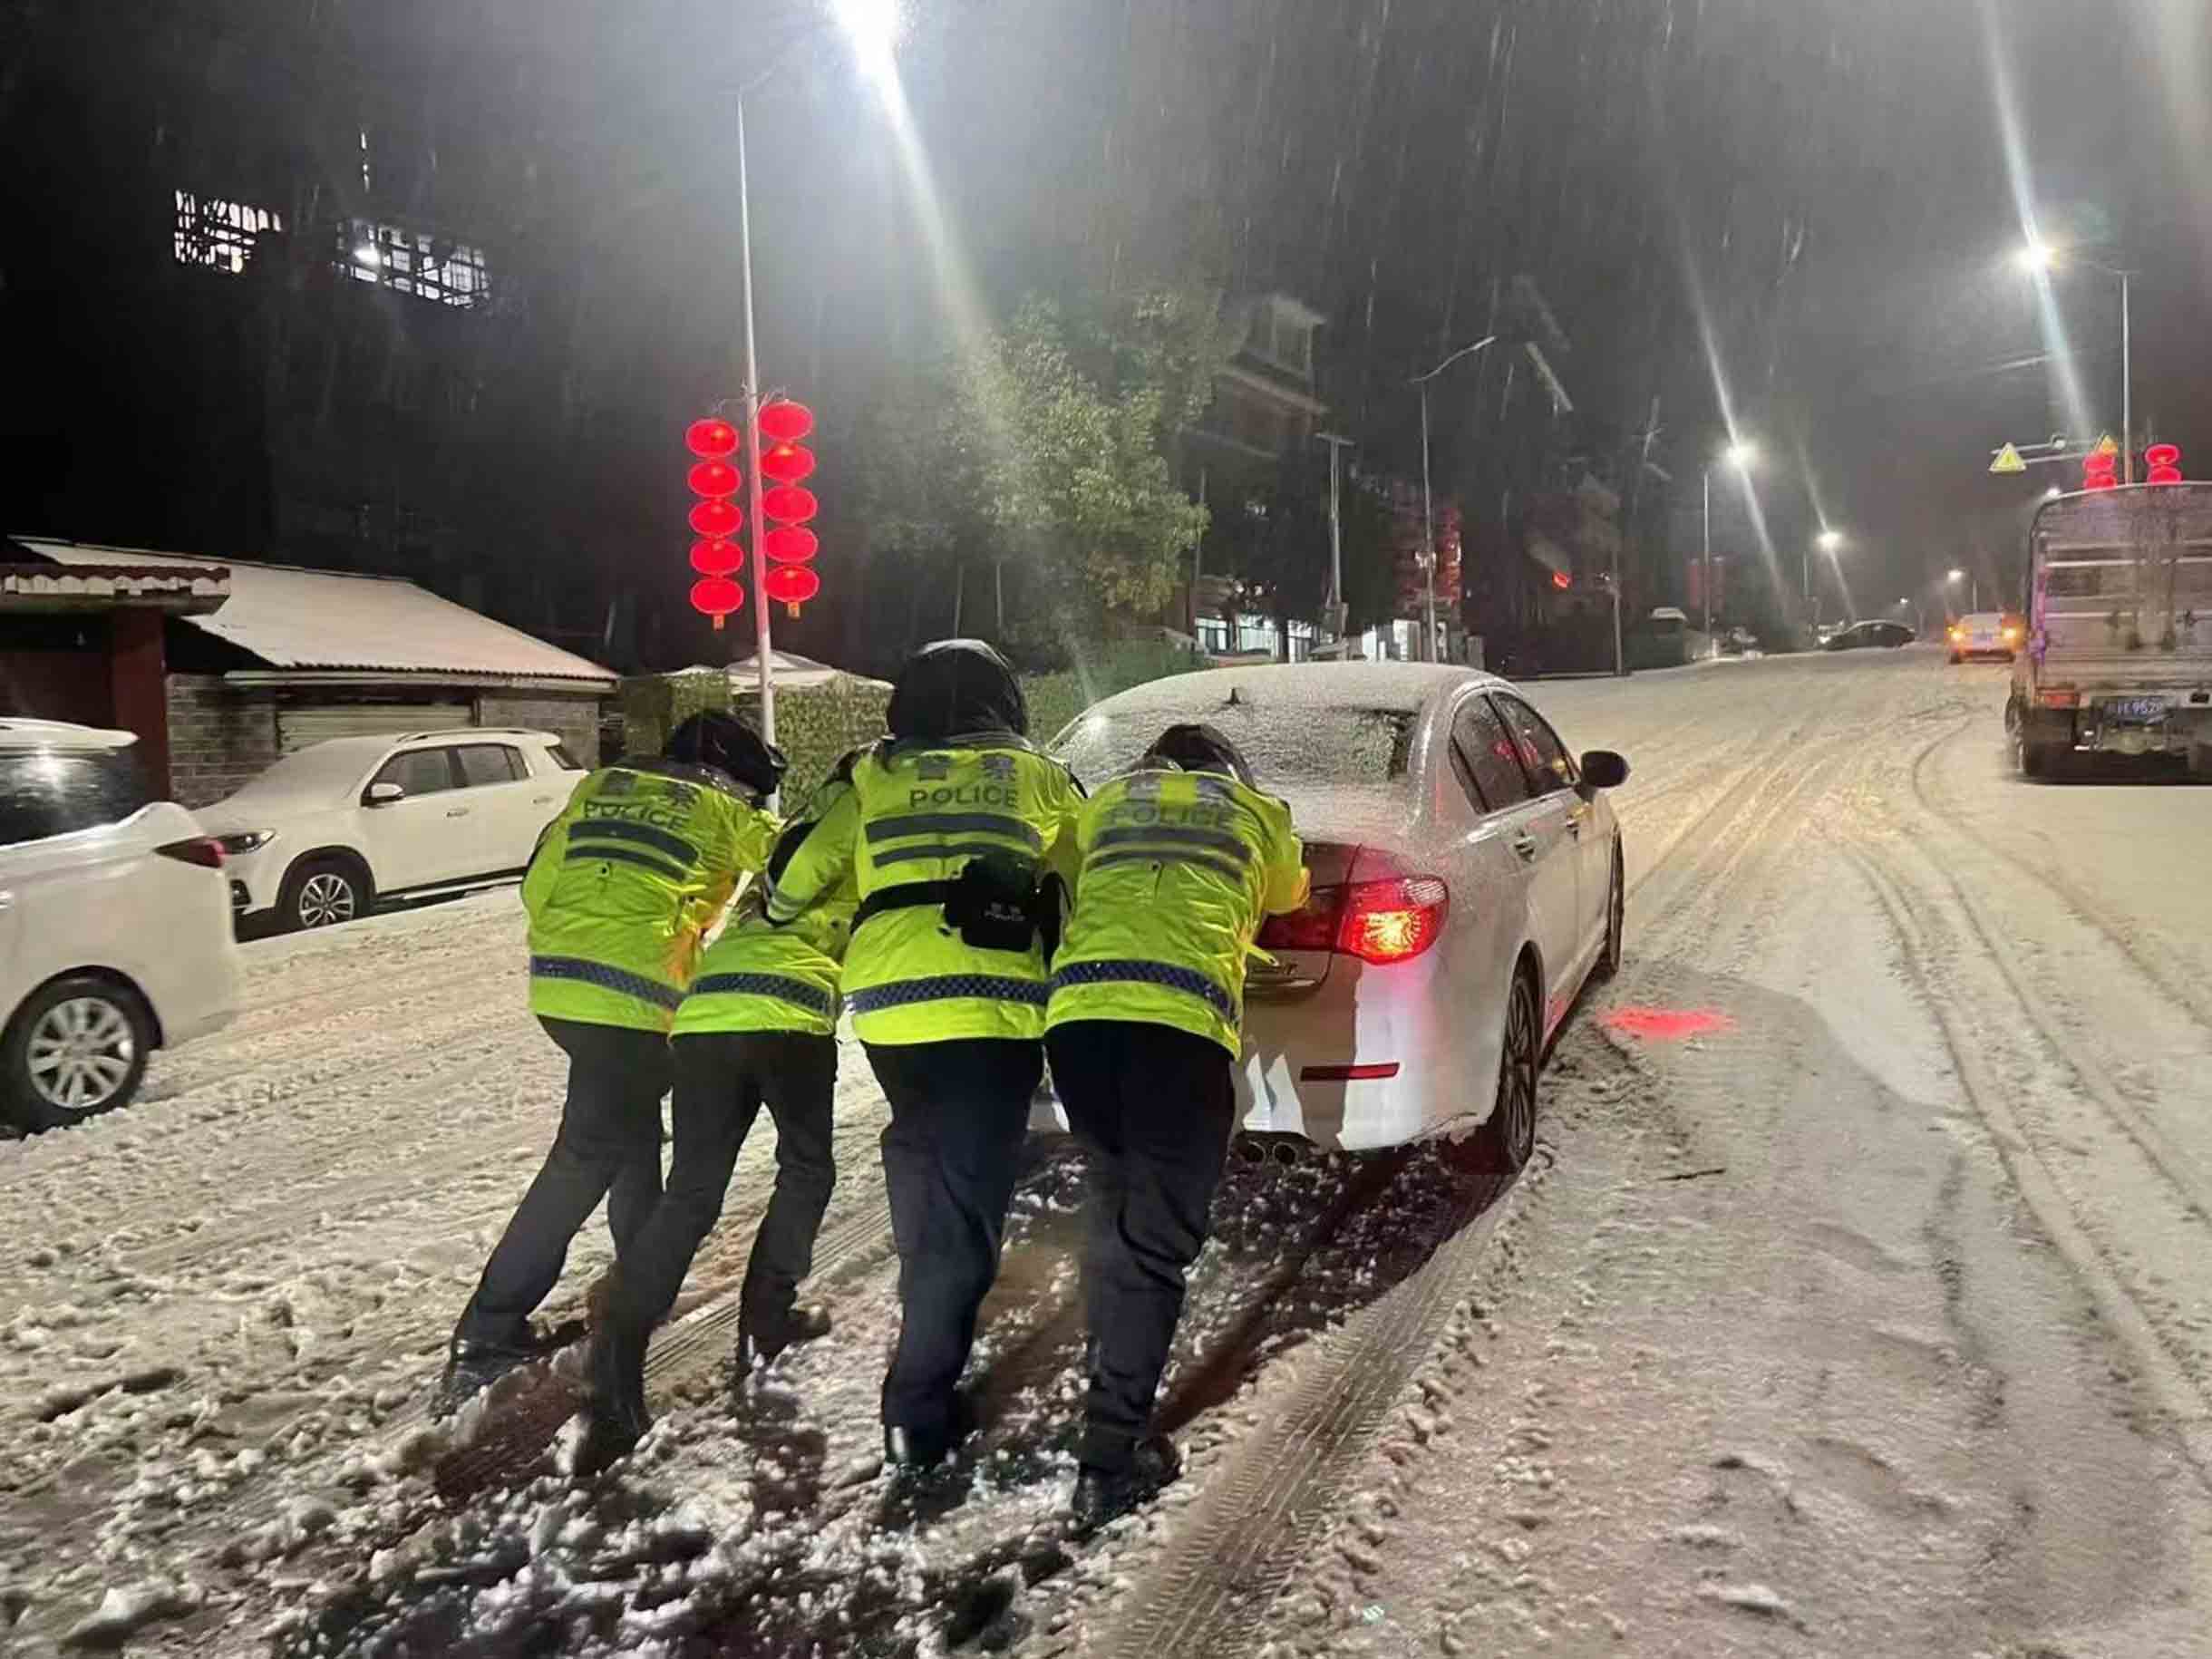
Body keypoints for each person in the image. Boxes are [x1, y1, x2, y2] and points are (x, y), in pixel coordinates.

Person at [764, 640, 1084, 1470]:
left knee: (929, 1154)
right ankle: (917, 1406)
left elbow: (793, 879)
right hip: (992, 1002)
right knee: (968, 1209)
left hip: (890, 1003)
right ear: (1005, 704)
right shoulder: (1041, 775)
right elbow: (1088, 883)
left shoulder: (873, 774)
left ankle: (923, 1247)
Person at [433, 711, 785, 1416]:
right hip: (635, 1000)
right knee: (586, 1157)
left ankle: (640, 1282)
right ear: (737, 779)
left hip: (561, 989)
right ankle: (488, 1329)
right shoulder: (725, 811)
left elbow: (537, 885)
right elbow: (796, 866)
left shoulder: (599, 787)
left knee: (625, 1139)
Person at [1043, 722, 1307, 1529]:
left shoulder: (1112, 801)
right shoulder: (1256, 813)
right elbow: (1289, 892)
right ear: (1229, 769)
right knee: (1156, 1240)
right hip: (1178, 1031)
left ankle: (1105, 1374)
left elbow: (1067, 867)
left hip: (1079, 1025)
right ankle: (1110, 1457)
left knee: (1115, 1205)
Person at [575, 760, 859, 1472]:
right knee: (806, 1170)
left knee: (693, 1192)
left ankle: (617, 1352)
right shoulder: (858, 817)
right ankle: (766, 1323)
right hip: (786, 1010)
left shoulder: (791, 825)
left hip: (706, 1013)